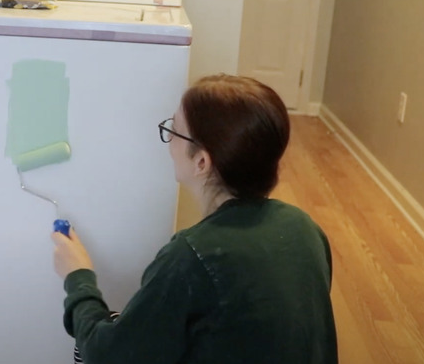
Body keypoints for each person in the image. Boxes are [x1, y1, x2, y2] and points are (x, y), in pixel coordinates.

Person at [51, 74, 338, 364]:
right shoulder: (304, 227)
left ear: (201, 161)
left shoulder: (192, 257)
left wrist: (78, 277)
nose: (169, 139)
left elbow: (105, 355)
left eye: (174, 129)